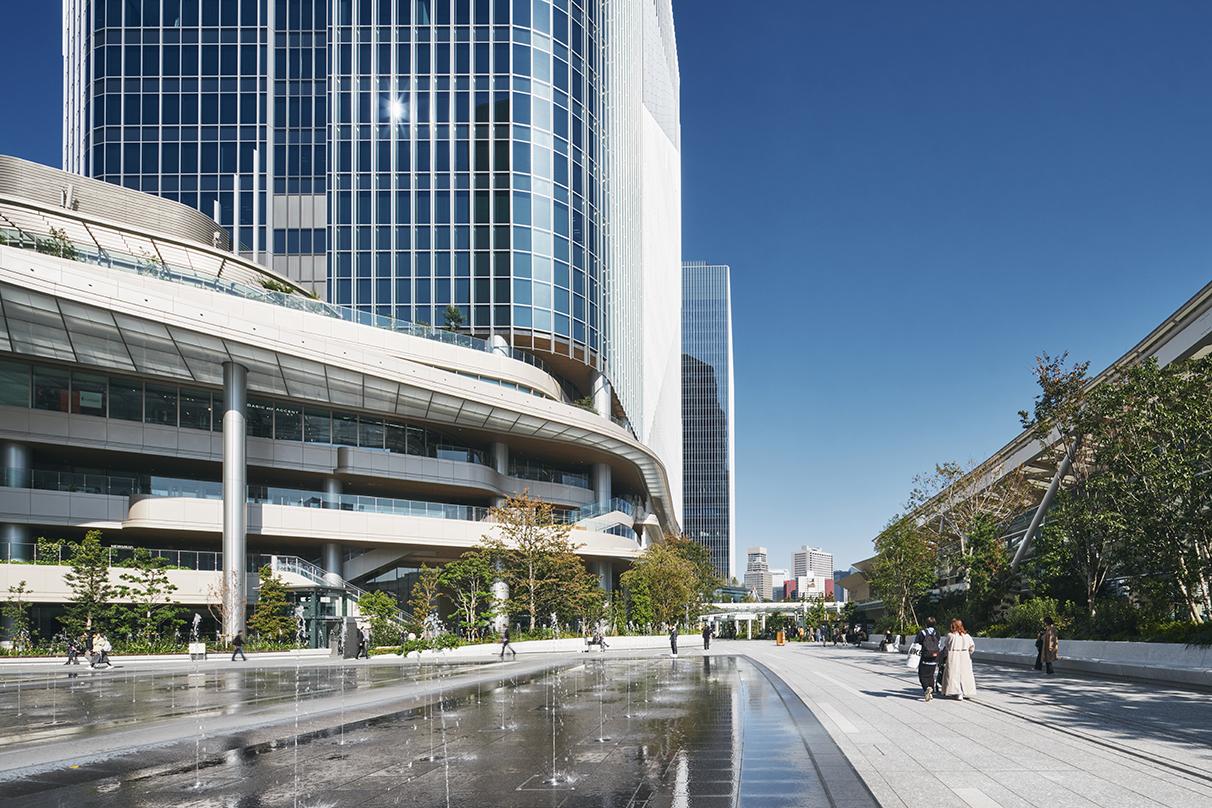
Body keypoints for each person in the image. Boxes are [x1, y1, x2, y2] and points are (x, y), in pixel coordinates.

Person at [941, 618, 976, 700]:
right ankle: (965, 690)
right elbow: (972, 647)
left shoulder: (951, 636)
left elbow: (946, 645)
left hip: (954, 655)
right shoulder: (967, 636)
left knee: (953, 674)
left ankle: (957, 692)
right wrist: (968, 653)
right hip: (964, 655)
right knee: (965, 674)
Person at [912, 617, 943, 701]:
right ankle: (931, 691)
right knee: (931, 676)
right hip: (934, 657)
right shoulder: (937, 633)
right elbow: (939, 644)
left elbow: (916, 644)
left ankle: (927, 689)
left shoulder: (922, 633)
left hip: (925, 657)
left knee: (922, 675)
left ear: (926, 623)